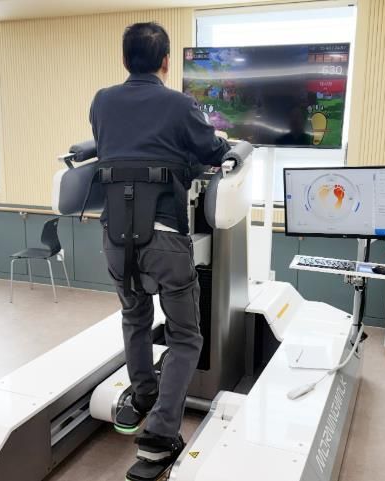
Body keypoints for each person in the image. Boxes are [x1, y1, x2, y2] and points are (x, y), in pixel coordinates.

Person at [88, 22, 230, 481]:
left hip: (114, 238)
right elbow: (212, 149)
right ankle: (160, 436)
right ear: (166, 61)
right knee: (185, 335)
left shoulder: (101, 101)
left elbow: (119, 147)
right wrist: (227, 150)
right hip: (165, 238)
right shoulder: (180, 104)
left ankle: (143, 393)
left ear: (124, 59)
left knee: (135, 317)